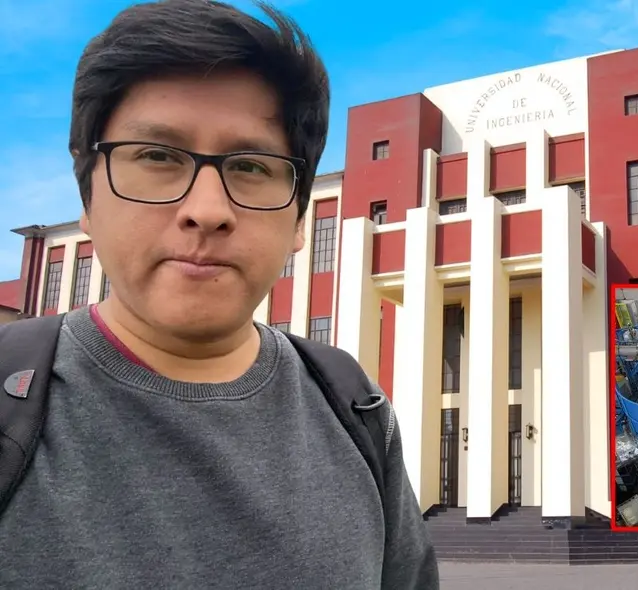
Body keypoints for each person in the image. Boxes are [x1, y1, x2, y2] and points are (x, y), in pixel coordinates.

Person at [0, 2, 440, 588]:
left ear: (301, 216)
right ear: (87, 196)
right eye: (157, 156)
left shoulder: (356, 412)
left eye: (252, 166)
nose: (207, 211)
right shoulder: (13, 403)